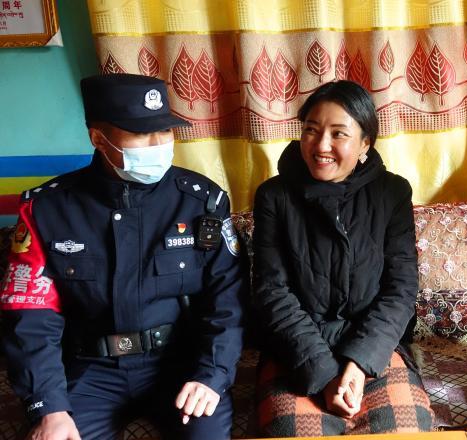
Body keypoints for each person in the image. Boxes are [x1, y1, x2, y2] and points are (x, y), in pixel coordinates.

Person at [0, 73, 247, 440]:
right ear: (98, 138)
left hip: (181, 366)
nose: (159, 144)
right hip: (90, 371)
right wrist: (48, 405)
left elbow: (227, 300)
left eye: (165, 130)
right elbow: (30, 314)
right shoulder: (46, 211)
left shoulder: (201, 202)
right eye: (141, 134)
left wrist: (212, 374)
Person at [251, 80, 434, 436]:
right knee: (292, 431)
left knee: (405, 429)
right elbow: (271, 291)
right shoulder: (274, 196)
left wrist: (358, 364)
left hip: (372, 345)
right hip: (296, 348)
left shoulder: (392, 193)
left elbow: (400, 289)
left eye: (339, 134)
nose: (321, 145)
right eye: (311, 130)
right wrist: (323, 373)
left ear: (365, 142)